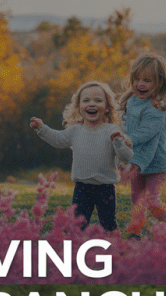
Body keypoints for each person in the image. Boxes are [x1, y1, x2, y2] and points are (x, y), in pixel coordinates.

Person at [31, 81, 133, 232]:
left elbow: (126, 157)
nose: (91, 104)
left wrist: (118, 142)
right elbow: (57, 139)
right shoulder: (75, 131)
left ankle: (114, 245)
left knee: (109, 225)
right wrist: (42, 128)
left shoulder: (112, 130)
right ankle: (78, 245)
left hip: (106, 188)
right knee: (77, 225)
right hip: (82, 188)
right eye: (86, 100)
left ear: (107, 107)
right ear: (79, 107)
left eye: (98, 100)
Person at [117, 53, 166, 233]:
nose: (140, 84)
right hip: (136, 161)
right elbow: (125, 123)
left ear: (159, 82)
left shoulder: (156, 108)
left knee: (151, 201)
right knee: (137, 201)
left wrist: (128, 139)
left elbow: (145, 133)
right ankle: (135, 233)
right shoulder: (132, 101)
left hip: (157, 166)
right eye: (137, 79)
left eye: (147, 80)